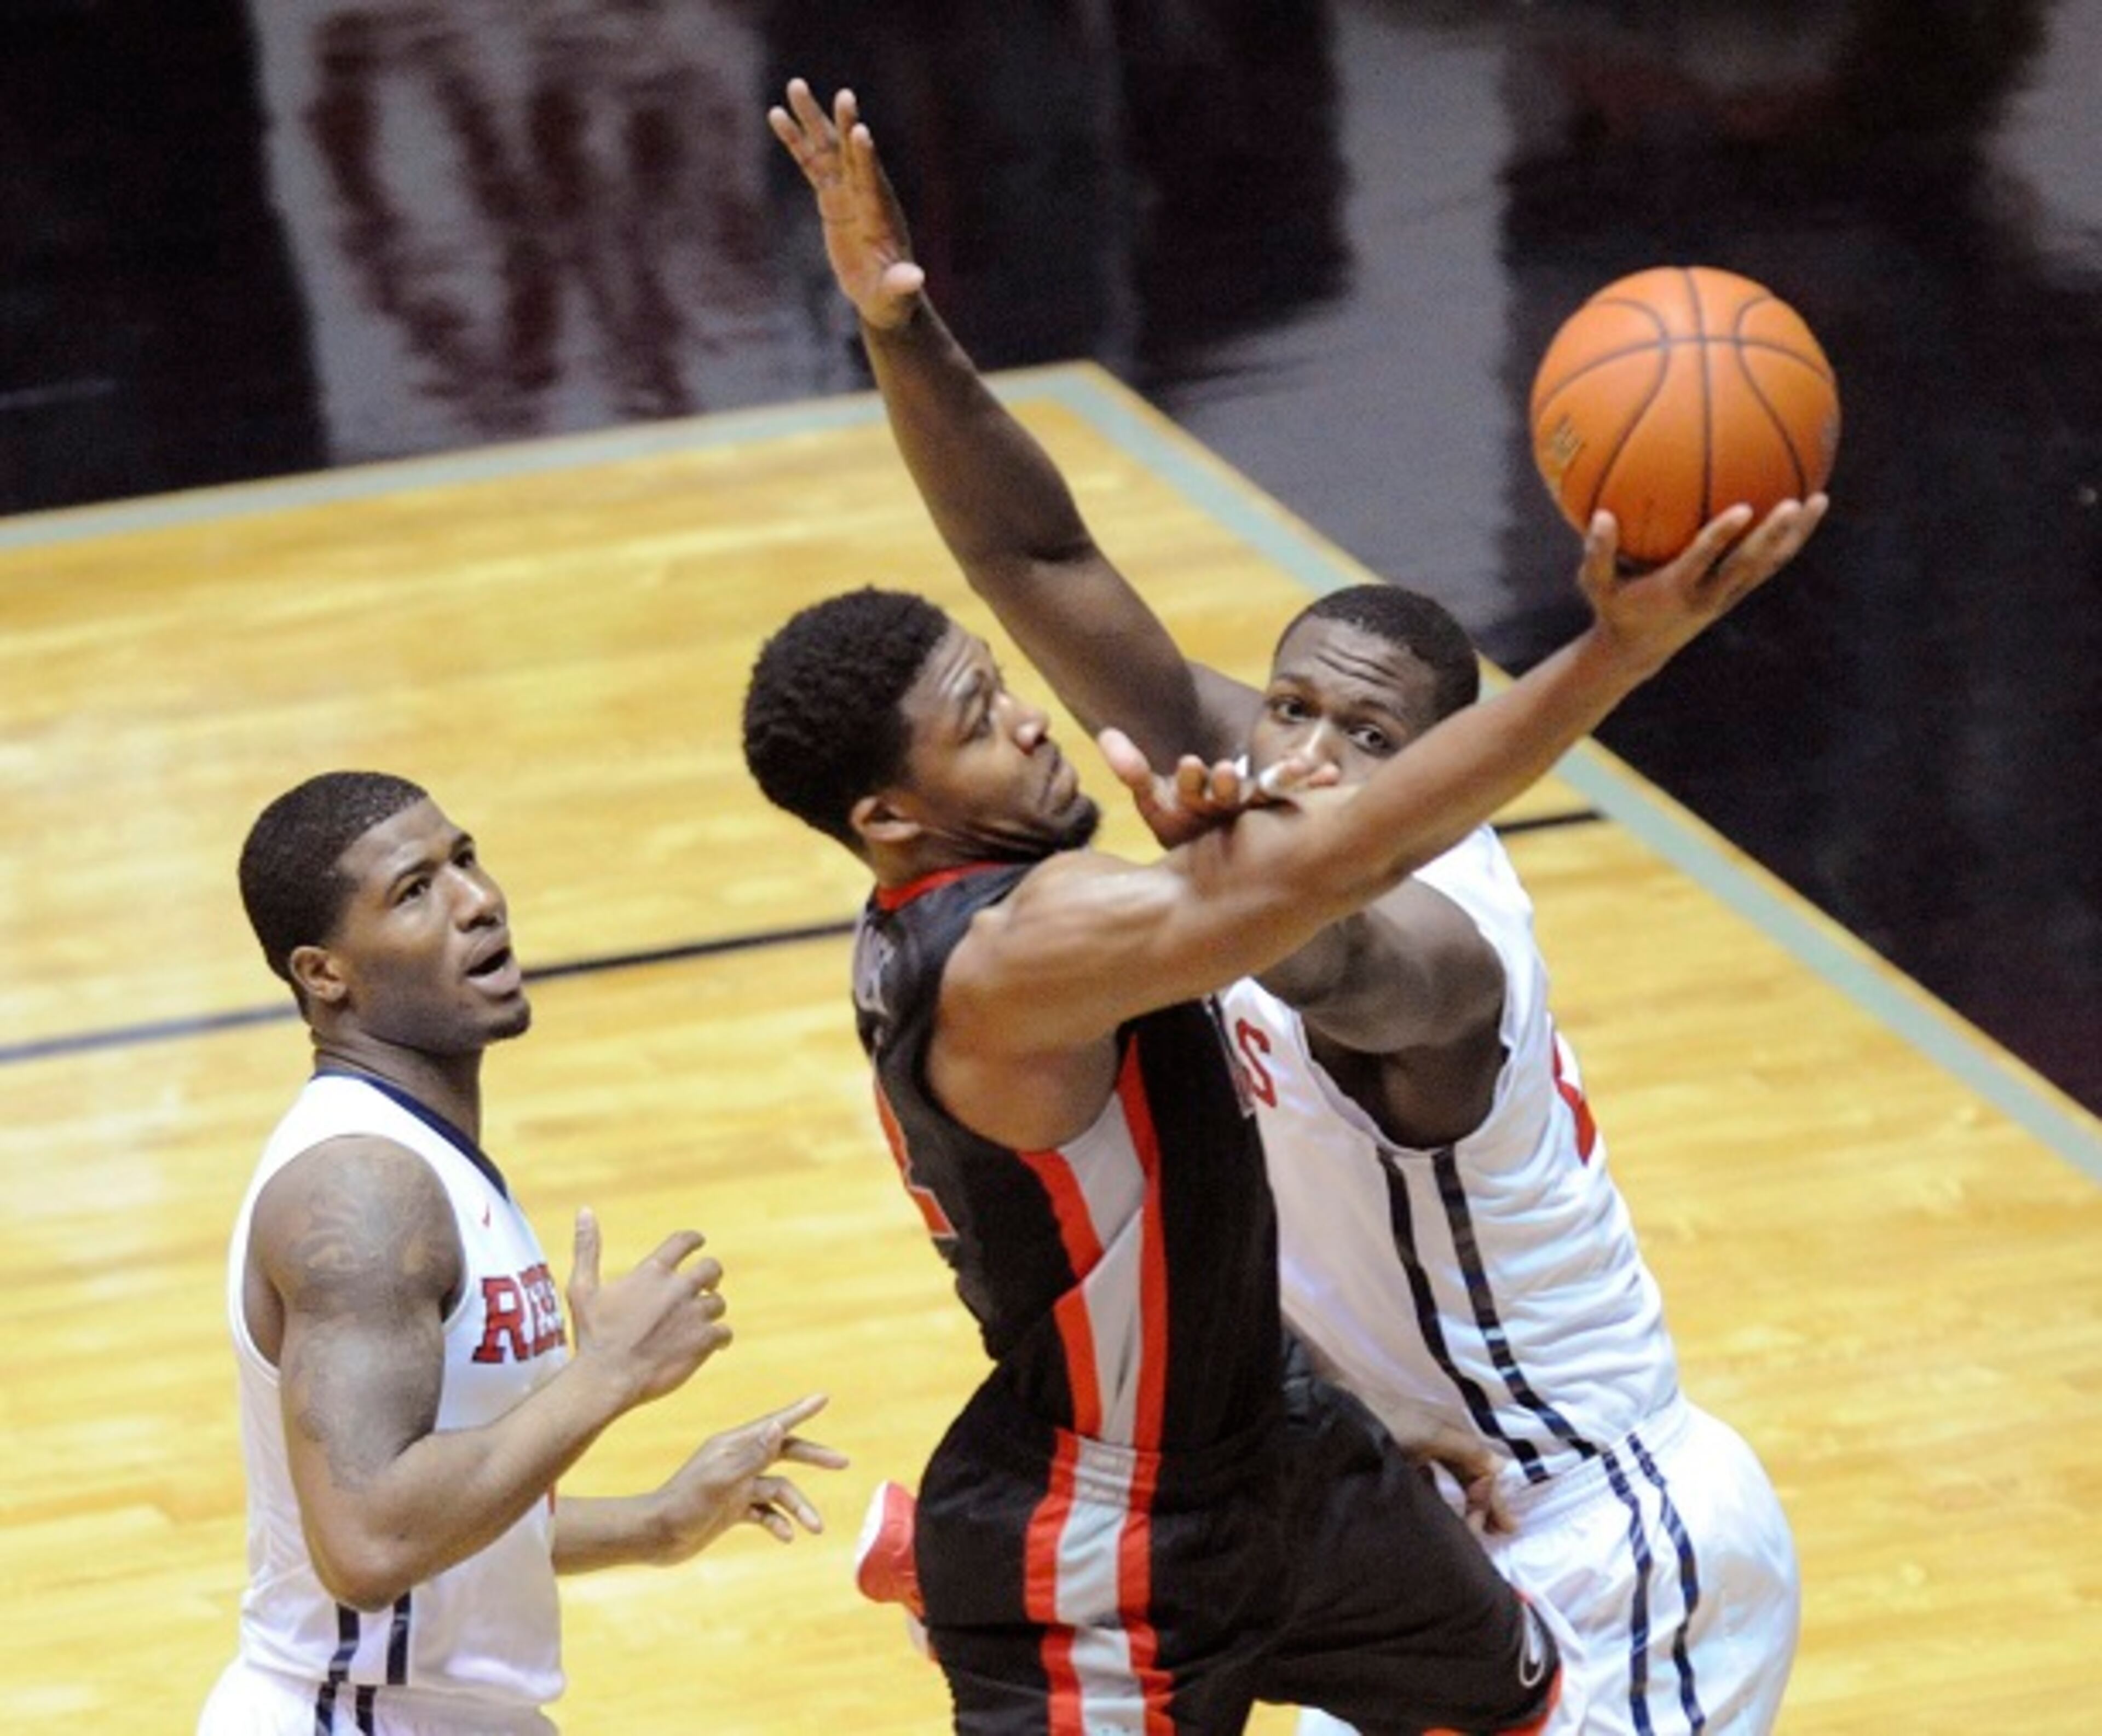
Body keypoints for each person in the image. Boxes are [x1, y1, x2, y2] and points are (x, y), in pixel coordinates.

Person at [772, 80, 1809, 1734]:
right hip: (1378, 1503)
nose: (1311, 753)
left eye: (1372, 739)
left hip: (1596, 1533)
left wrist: (1613, 648)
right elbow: (1037, 562)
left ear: (1441, 766)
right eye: (1294, 711)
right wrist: (903, 327)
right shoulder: (1261, 799)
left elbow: (1317, 939)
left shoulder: (1444, 948)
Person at [200, 770, 847, 1735]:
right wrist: (610, 1375)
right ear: (323, 972)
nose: (478, 900)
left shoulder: (423, 1158)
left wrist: (657, 1523)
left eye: (464, 859)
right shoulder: (363, 1190)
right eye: (415, 892)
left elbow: (444, 1514)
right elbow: (372, 1542)